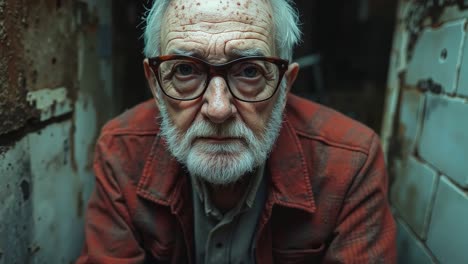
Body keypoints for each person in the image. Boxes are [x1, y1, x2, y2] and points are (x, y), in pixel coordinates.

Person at [77, 0, 397, 263]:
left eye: (249, 71)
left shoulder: (351, 162)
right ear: (155, 85)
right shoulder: (120, 151)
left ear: (284, 85)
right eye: (185, 69)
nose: (218, 109)